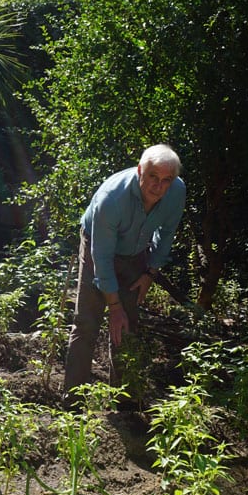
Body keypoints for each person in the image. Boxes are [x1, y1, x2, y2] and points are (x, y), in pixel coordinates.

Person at [63, 144, 185, 396]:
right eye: (153, 176)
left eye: (166, 180)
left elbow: (167, 234)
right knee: (87, 322)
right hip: (98, 246)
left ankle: (124, 401)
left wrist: (150, 273)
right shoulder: (112, 199)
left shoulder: (176, 191)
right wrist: (114, 306)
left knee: (127, 326)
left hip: (136, 251)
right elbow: (102, 258)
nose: (159, 186)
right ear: (140, 170)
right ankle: (73, 402)